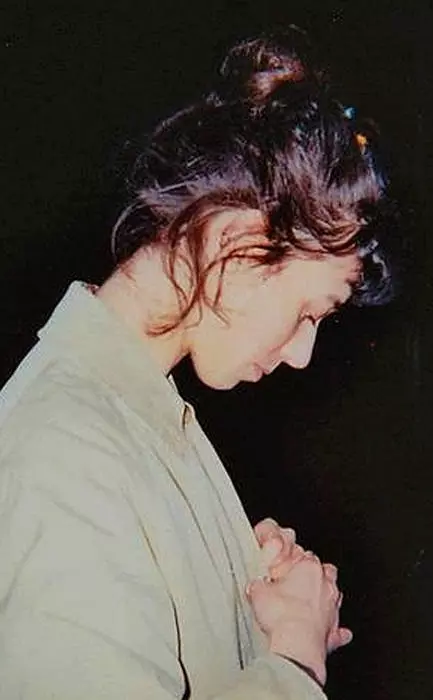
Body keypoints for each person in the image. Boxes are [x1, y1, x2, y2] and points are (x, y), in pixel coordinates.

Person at [0, 30, 394, 699]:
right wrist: (296, 660)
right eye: (310, 311)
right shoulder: (66, 449)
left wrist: (246, 599)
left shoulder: (140, 412)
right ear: (234, 247)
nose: (303, 354)